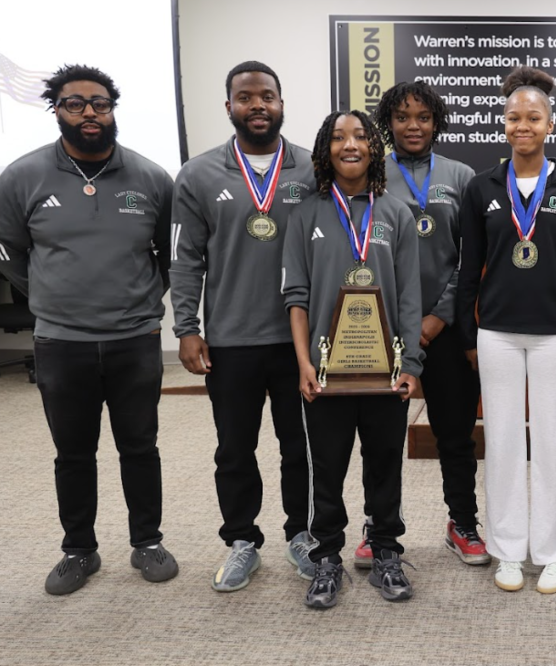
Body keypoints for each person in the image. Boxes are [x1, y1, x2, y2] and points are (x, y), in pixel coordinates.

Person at [0, 64, 178, 594]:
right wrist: (52, 299)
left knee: (139, 447)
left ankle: (146, 541)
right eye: (75, 103)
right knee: (73, 453)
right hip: (60, 342)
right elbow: (11, 254)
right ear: (57, 110)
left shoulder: (150, 177)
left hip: (134, 339)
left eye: (99, 103)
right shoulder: (22, 176)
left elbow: (169, 255)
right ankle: (79, 550)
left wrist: (145, 301)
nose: (89, 113)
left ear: (112, 109)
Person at [170, 61, 316, 591]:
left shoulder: (310, 169)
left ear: (282, 104)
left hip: (299, 342)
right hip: (230, 341)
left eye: (268, 96)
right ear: (228, 106)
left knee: (300, 446)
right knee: (235, 448)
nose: (258, 105)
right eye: (246, 97)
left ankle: (301, 534)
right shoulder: (199, 173)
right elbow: (186, 258)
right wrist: (186, 326)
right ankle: (241, 541)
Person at [456, 66, 556, 594]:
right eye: (514, 117)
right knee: (505, 442)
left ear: (549, 124)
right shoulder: (482, 187)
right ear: (504, 123)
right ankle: (508, 551)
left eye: (533, 117)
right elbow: (468, 268)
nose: (523, 126)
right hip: (495, 332)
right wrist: (467, 337)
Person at [282, 109, 422, 608]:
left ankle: (385, 550)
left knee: (384, 463)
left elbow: (409, 297)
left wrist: (412, 365)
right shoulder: (304, 215)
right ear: (325, 148)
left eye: (360, 136)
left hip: (385, 375)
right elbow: (296, 298)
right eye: (338, 137)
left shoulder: (396, 213)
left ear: (373, 148)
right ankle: (326, 559)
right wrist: (303, 363)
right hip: (325, 375)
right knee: (329, 466)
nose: (350, 145)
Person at [372, 81, 488, 567]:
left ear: (436, 121)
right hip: (381, 331)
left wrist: (438, 317)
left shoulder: (461, 176)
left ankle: (462, 522)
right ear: (388, 124)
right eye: (402, 117)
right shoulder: (373, 175)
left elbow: (471, 257)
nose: (413, 126)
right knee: (380, 436)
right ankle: (380, 531)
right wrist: (401, 322)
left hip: (445, 330)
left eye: (422, 117)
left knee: (455, 434)